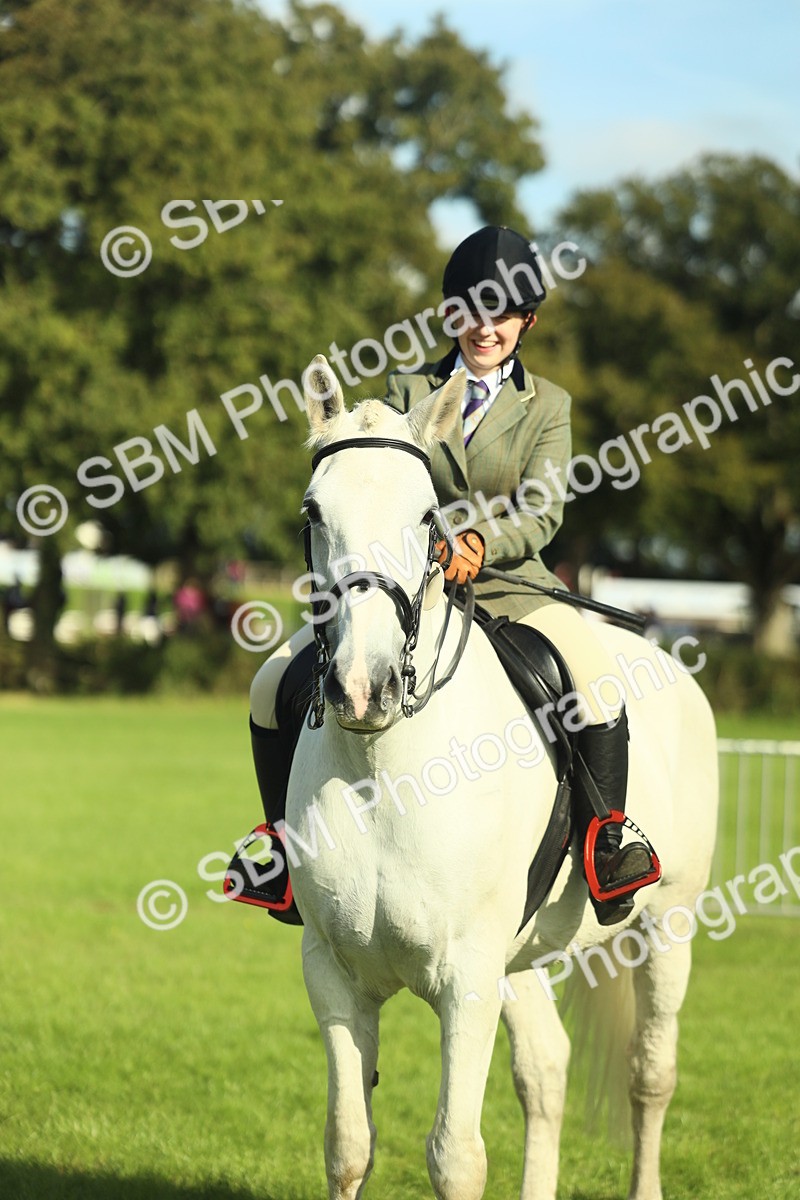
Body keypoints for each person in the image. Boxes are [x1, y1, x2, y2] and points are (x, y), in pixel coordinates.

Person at [240, 225, 654, 926]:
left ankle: (606, 845)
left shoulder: (548, 406)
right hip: (414, 588)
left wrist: (480, 542)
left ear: (527, 322)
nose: (486, 327)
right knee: (268, 683)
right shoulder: (407, 392)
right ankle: (282, 850)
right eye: (472, 310)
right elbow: (377, 483)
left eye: (503, 313)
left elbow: (544, 510)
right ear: (451, 314)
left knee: (596, 683)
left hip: (514, 586)